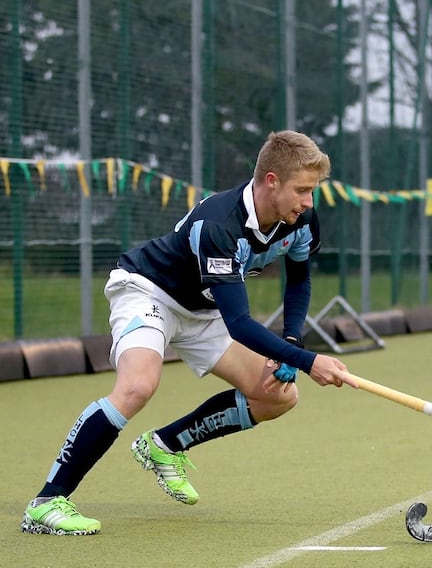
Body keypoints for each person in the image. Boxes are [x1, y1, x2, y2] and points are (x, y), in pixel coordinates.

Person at [21, 130, 359, 536]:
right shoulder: (219, 224)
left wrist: (291, 343)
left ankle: (164, 446)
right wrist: (307, 362)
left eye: (313, 191)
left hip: (204, 308)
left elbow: (299, 280)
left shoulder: (300, 219)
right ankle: (47, 501)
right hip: (149, 291)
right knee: (138, 386)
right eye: (302, 190)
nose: (309, 202)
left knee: (277, 395)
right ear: (271, 181)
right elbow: (240, 324)